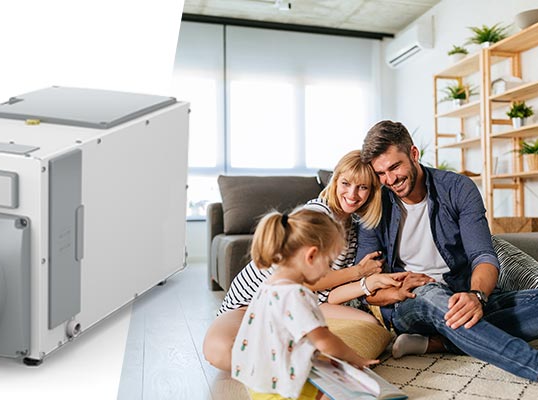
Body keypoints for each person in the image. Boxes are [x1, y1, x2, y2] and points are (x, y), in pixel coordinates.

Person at [356, 120, 538, 380]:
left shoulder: (458, 188)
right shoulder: (375, 204)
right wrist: (396, 291)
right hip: (410, 304)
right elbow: (366, 287)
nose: (390, 179)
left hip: (461, 292)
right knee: (431, 294)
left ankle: (440, 342)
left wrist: (476, 296)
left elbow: (483, 256)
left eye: (395, 167)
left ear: (414, 154)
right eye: (381, 173)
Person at [204, 150, 400, 372]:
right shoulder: (316, 215)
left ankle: (303, 361)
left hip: (304, 303)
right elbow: (309, 281)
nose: (353, 194)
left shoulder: (354, 230)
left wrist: (368, 284)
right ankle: (293, 361)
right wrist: (358, 272)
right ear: (335, 181)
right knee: (222, 351)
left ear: (372, 192)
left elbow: (327, 294)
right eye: (346, 183)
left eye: (363, 187)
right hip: (249, 306)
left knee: (370, 326)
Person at [232, 208, 382, 400]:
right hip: (283, 390)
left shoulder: (269, 286)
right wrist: (356, 358)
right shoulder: (296, 294)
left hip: (259, 383)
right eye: (329, 262)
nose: (329, 270)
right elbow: (324, 340)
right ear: (311, 256)